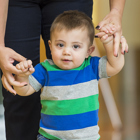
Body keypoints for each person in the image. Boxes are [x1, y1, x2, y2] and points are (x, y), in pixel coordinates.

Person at [0, 0, 126, 140]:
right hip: (49, 137)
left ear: (89, 51)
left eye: (76, 47)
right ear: (50, 45)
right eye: (60, 45)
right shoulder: (44, 69)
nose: (67, 51)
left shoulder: (92, 67)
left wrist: (109, 43)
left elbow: (115, 66)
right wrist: (22, 77)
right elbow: (23, 91)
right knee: (18, 104)